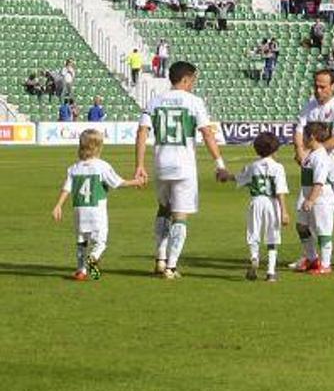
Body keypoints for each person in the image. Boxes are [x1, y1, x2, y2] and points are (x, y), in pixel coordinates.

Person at [133, 60, 231, 279]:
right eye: (193, 80)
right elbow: (207, 133)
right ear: (186, 79)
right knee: (180, 215)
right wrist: (219, 164)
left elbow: (141, 132)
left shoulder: (154, 101)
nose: (194, 84)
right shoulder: (194, 102)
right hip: (184, 166)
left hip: (161, 164)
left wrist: (139, 165)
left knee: (163, 209)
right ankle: (172, 266)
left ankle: (160, 258)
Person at [51, 129, 141, 281]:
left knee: (82, 240)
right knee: (100, 242)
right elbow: (117, 183)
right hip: (96, 211)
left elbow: (67, 188)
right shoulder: (102, 166)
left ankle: (82, 271)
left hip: (79, 210)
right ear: (98, 147)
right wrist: (136, 182)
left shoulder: (74, 168)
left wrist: (58, 205)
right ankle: (93, 258)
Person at [294, 69, 334, 268]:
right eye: (316, 86)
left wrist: (313, 152)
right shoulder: (310, 106)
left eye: (322, 86)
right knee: (308, 214)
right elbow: (298, 130)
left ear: (333, 87)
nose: (318, 90)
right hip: (314, 169)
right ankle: (311, 256)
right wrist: (299, 150)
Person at [235, 131, 290, 282]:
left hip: (256, 201)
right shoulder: (278, 167)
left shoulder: (252, 166)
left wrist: (225, 175)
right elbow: (280, 191)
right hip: (272, 203)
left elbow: (240, 179)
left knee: (253, 232)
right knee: (273, 235)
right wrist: (284, 211)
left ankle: (254, 258)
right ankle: (271, 272)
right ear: (275, 149)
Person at [295, 121, 334, 274]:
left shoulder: (321, 156)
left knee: (322, 229)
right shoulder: (312, 154)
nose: (303, 139)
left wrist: (311, 200)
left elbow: (319, 181)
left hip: (321, 198)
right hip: (306, 194)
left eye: (305, 136)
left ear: (311, 136)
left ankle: (325, 265)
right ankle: (312, 258)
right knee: (301, 226)